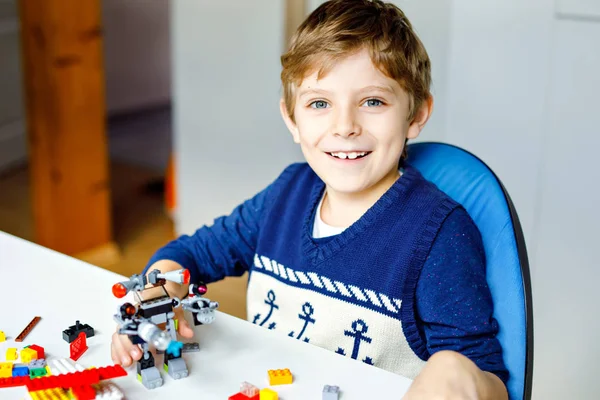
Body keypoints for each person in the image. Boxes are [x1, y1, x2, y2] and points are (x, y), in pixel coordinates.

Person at [111, 1, 508, 398]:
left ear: (417, 115)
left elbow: (486, 377)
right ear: (292, 120)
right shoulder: (286, 195)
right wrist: (153, 300)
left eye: (373, 102)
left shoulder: (439, 234)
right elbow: (192, 254)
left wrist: (455, 374)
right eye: (320, 103)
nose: (345, 127)